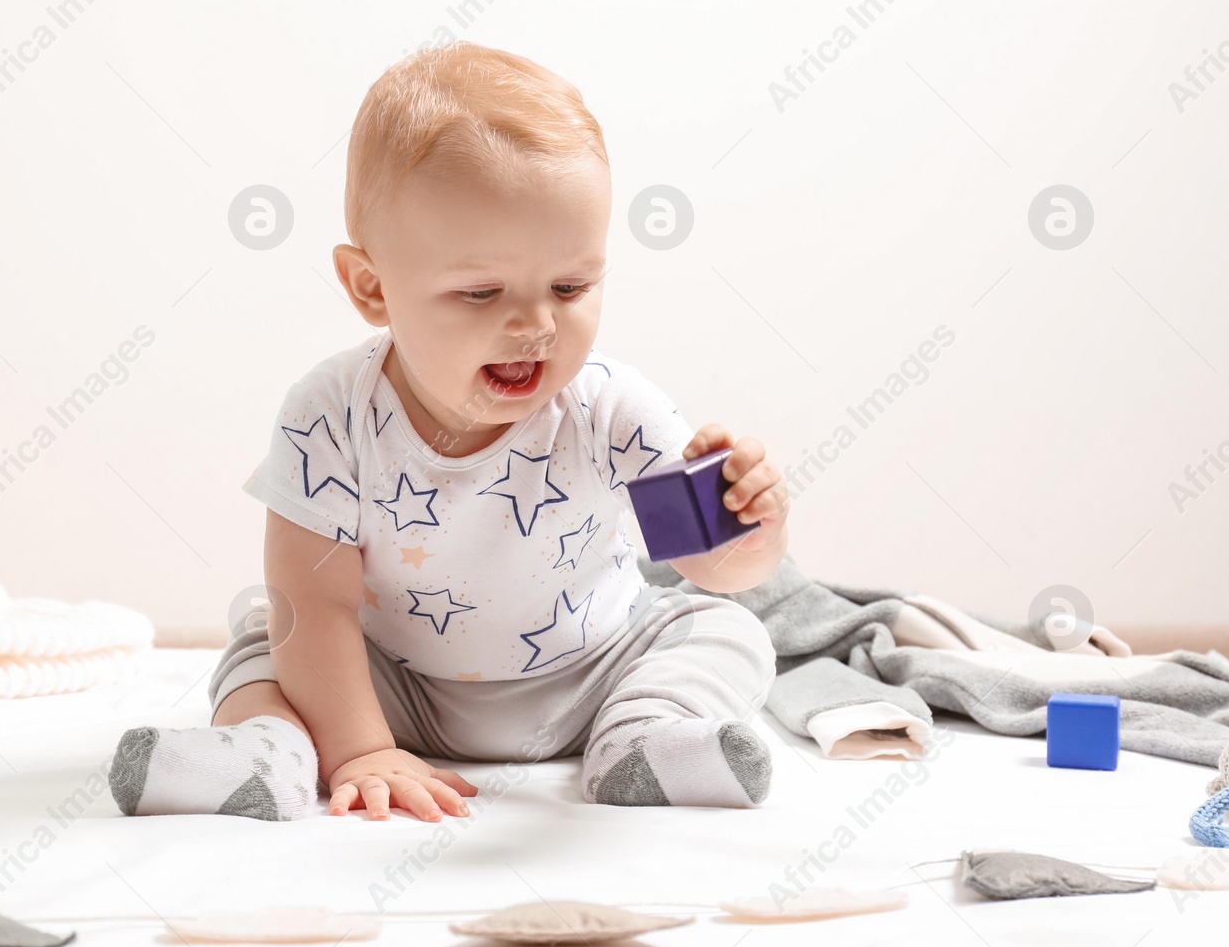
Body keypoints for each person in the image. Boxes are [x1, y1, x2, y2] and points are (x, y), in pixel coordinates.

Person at [109, 42, 789, 823]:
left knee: (725, 629)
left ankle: (644, 738)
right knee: (270, 638)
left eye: (570, 286)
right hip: (395, 688)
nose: (534, 323)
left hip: (594, 671)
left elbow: (708, 566)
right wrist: (362, 747)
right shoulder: (331, 413)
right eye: (480, 291)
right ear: (372, 287)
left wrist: (749, 531)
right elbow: (317, 602)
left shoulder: (608, 406)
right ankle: (274, 754)